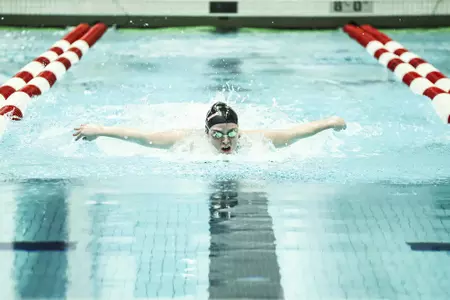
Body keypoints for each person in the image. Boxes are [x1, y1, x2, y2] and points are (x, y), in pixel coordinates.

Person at [73, 101, 347, 154]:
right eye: (218, 135)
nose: (226, 141)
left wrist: (328, 123)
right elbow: (143, 137)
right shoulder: (186, 142)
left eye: (231, 133)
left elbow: (296, 132)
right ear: (207, 134)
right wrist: (101, 129)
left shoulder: (255, 141)